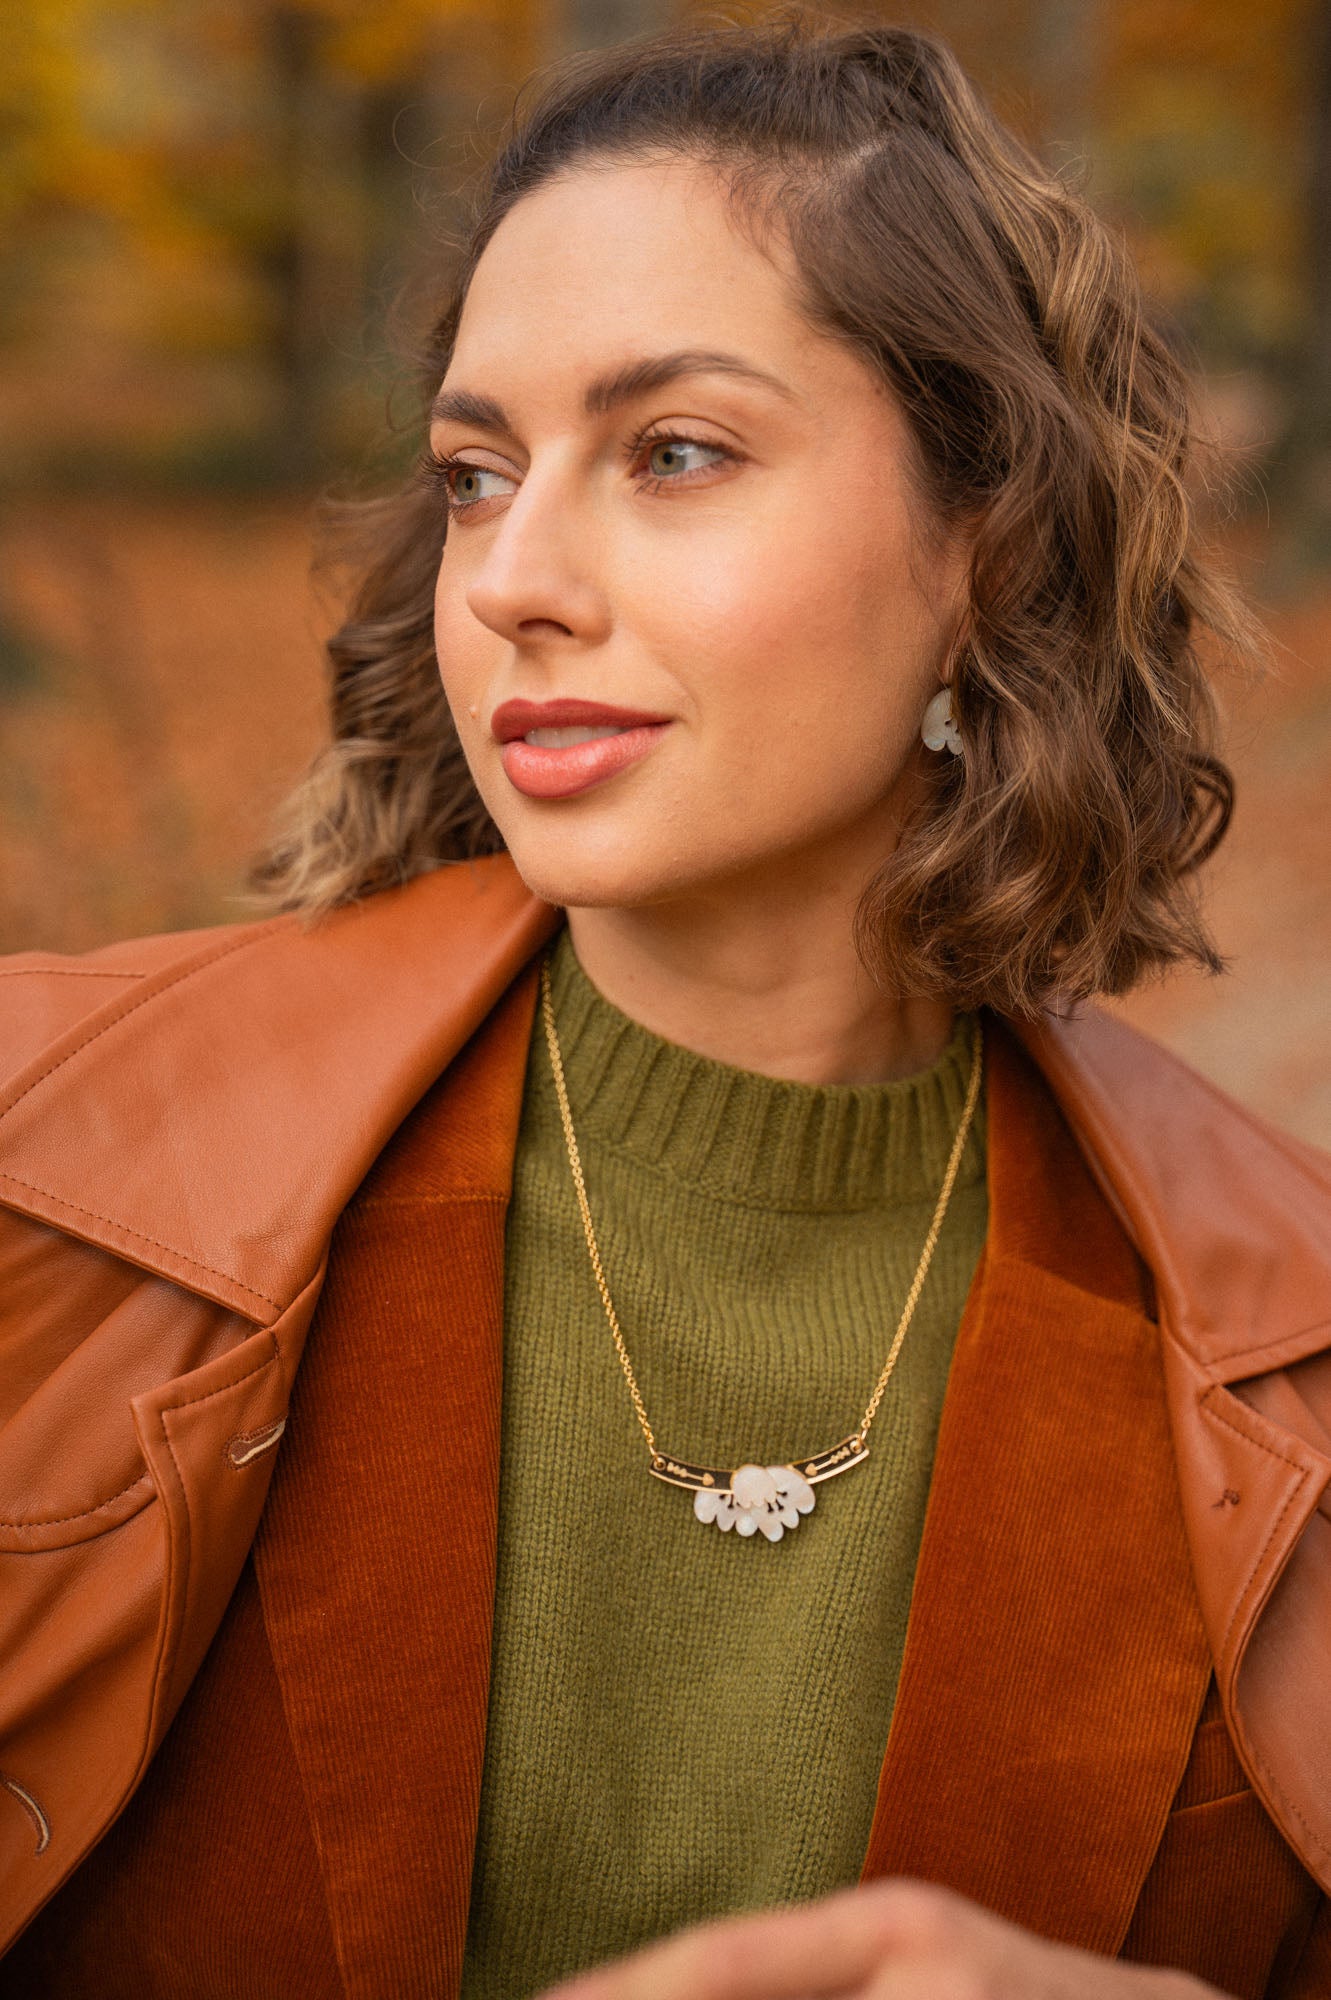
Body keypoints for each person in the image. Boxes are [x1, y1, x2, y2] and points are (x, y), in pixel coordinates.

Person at [1, 13, 1329, 1998]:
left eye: (675, 451)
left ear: (992, 542)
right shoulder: (49, 1174)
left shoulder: (1286, 1355)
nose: (513, 576)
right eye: (473, 473)